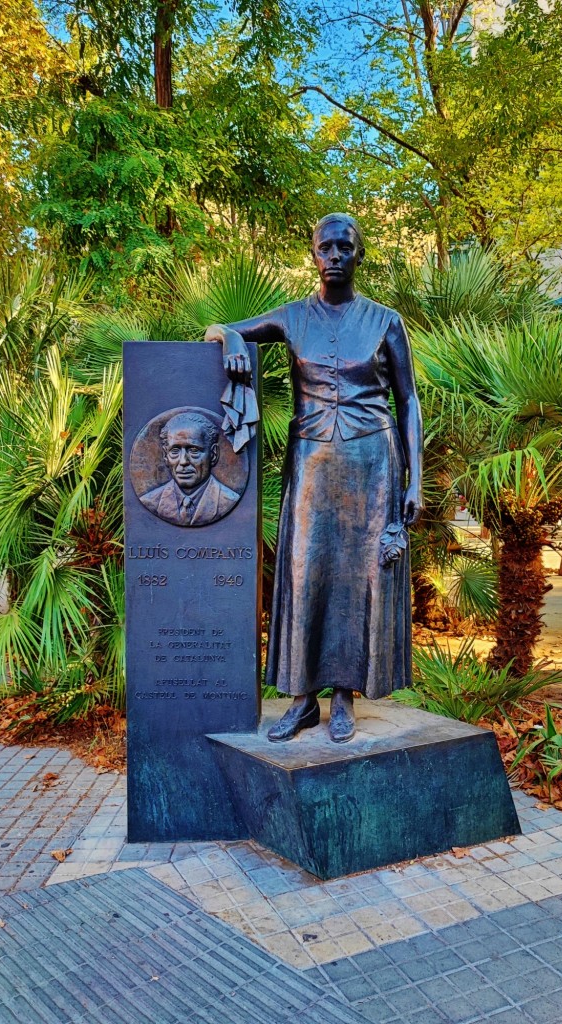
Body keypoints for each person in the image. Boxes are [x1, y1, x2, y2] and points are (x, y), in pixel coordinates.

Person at [205, 213, 424, 743]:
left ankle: (343, 695)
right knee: (305, 568)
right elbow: (220, 328)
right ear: (313, 254)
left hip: (374, 460)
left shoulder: (385, 320)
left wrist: (415, 479)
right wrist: (233, 344)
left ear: (359, 254)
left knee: (356, 576)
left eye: (344, 246)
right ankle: (302, 698)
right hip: (311, 460)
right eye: (325, 247)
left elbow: (408, 398)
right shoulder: (291, 317)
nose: (334, 255)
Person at [141, 411, 240, 527]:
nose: (183, 461)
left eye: (194, 451)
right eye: (175, 451)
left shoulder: (228, 501)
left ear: (213, 454)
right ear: (165, 456)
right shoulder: (151, 501)